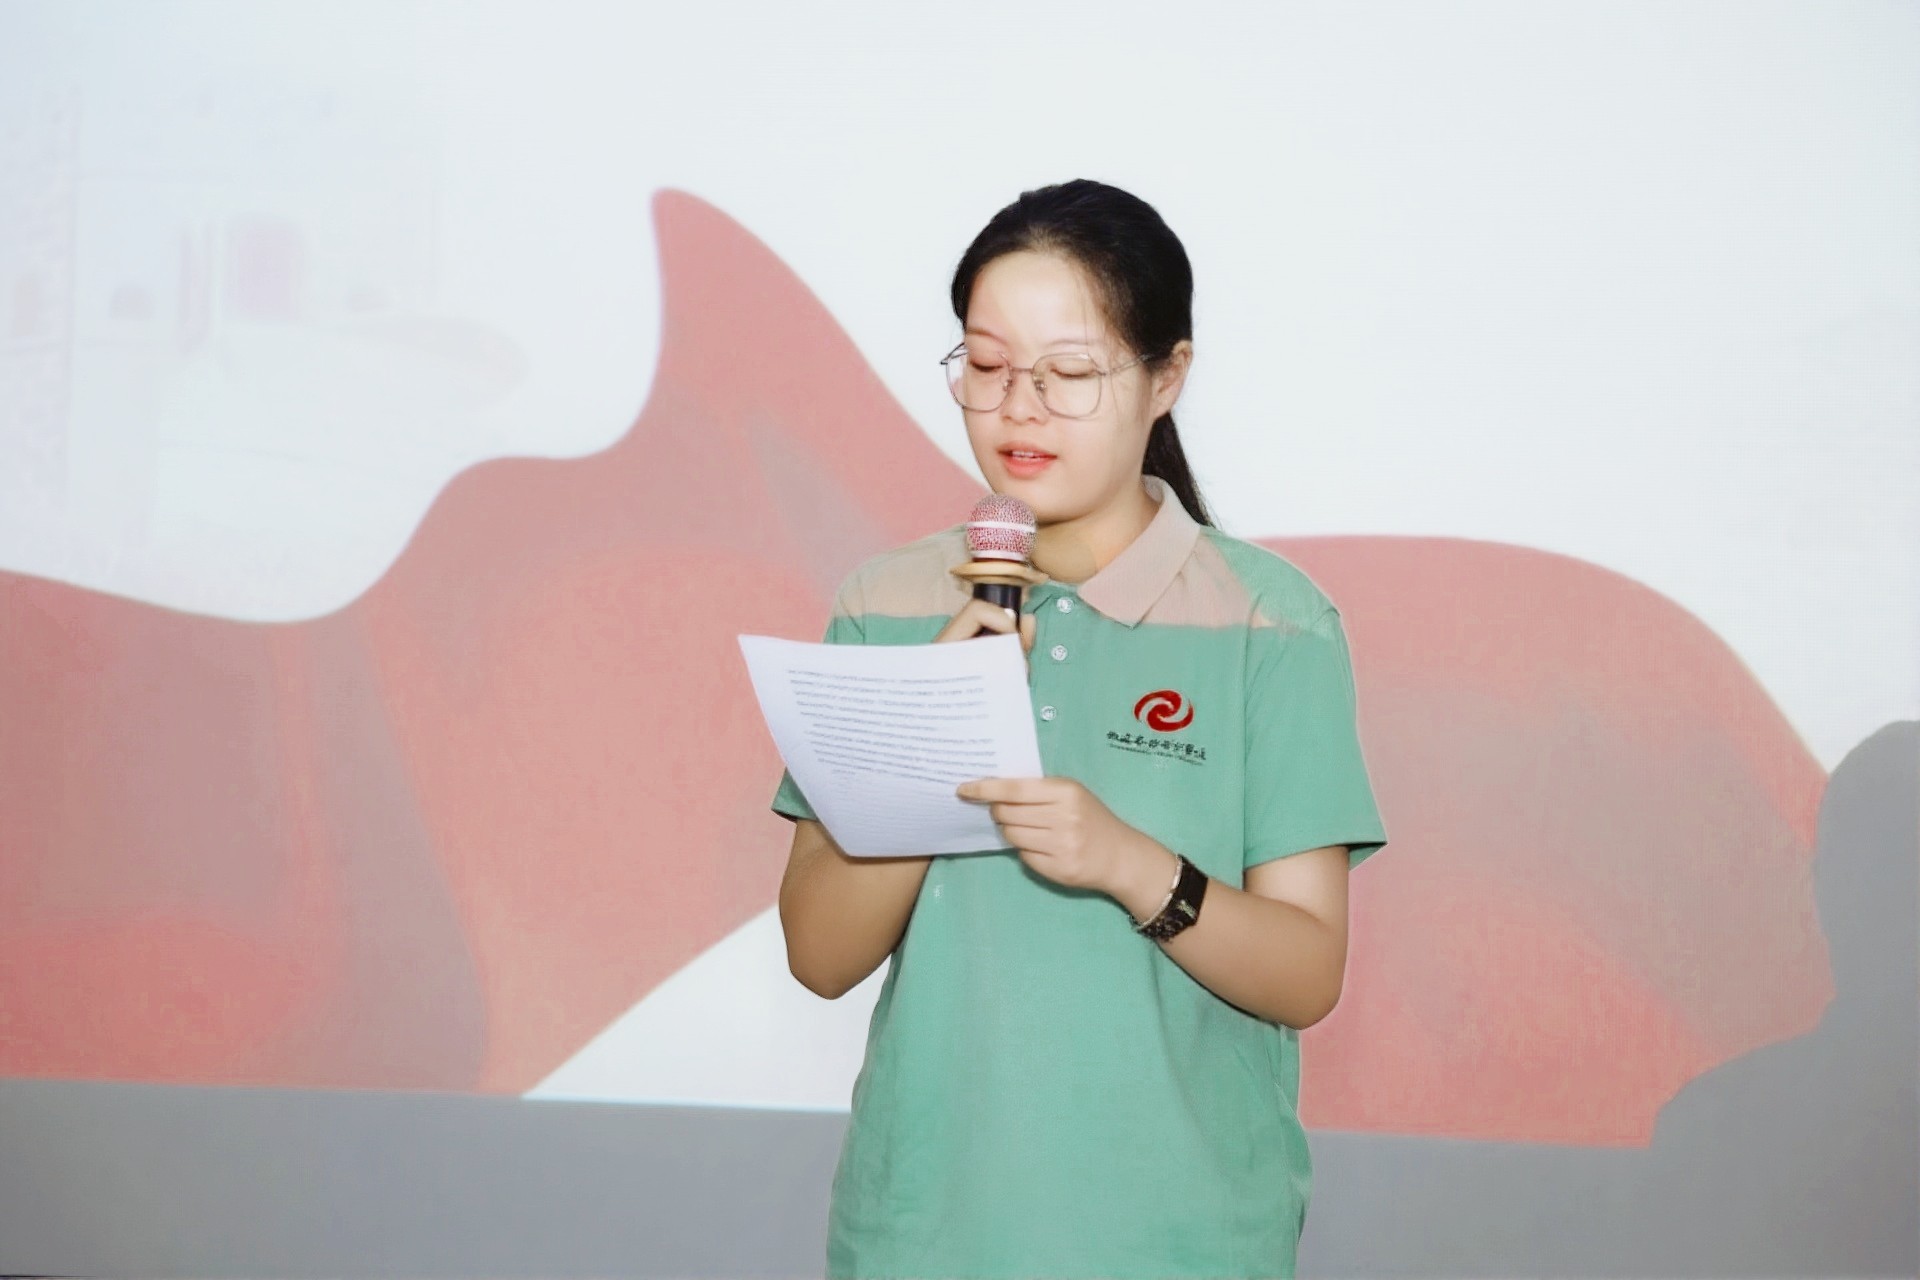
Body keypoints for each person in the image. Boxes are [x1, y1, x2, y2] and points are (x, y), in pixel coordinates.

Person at [769, 178, 1389, 1280]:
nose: (1019, 407)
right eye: (988, 365)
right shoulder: (888, 602)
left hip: (1181, 1243)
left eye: (1068, 372)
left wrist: (1130, 863)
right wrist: (936, 730)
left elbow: (1307, 973)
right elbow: (820, 956)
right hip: (921, 1239)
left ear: (1166, 377)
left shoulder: (1273, 622)